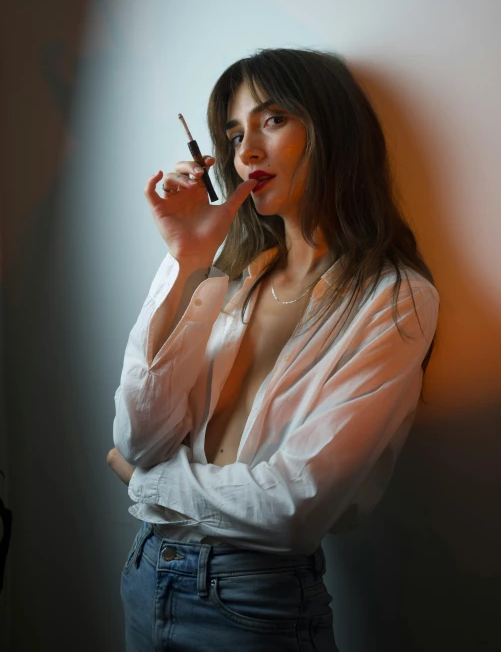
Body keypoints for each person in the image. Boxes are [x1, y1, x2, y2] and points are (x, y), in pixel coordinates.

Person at [107, 48, 439, 651]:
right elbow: (138, 438)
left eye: (273, 120)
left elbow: (292, 509)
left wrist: (145, 486)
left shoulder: (395, 300)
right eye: (234, 134)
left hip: (253, 605)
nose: (246, 153)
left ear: (332, 126)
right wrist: (186, 261)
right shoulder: (235, 279)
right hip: (145, 572)